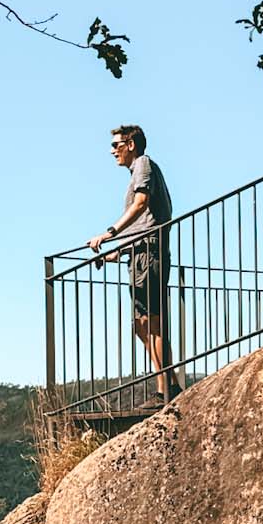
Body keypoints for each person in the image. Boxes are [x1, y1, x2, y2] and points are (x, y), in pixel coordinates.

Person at [87, 126, 176, 404]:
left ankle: (165, 390)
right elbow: (141, 223)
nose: (113, 150)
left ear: (132, 145)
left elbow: (141, 204)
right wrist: (117, 252)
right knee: (142, 326)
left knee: (152, 324)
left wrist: (110, 233)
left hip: (150, 255)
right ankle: (169, 382)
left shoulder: (143, 164)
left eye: (117, 144)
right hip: (138, 255)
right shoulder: (136, 170)